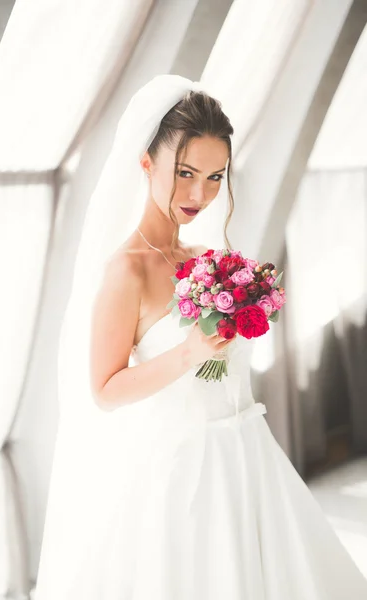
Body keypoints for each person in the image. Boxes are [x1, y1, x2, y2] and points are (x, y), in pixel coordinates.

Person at [34, 75, 367, 599]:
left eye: (215, 177)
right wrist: (189, 352)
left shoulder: (205, 262)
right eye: (185, 173)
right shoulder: (127, 271)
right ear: (146, 165)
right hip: (177, 474)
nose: (200, 195)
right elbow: (104, 389)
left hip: (246, 458)